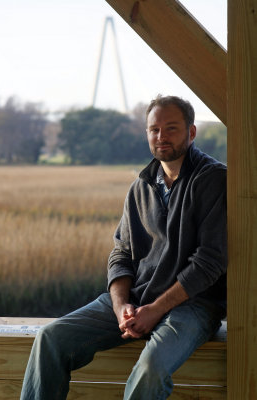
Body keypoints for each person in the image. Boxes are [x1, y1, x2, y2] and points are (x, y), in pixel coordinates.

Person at [20, 95, 227, 400]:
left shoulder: (213, 180)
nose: (161, 137)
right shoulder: (140, 186)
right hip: (137, 298)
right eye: (154, 129)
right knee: (50, 338)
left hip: (193, 305)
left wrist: (155, 310)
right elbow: (121, 254)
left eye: (171, 128)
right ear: (146, 133)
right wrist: (121, 308)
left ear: (191, 132)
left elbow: (209, 262)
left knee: (151, 369)